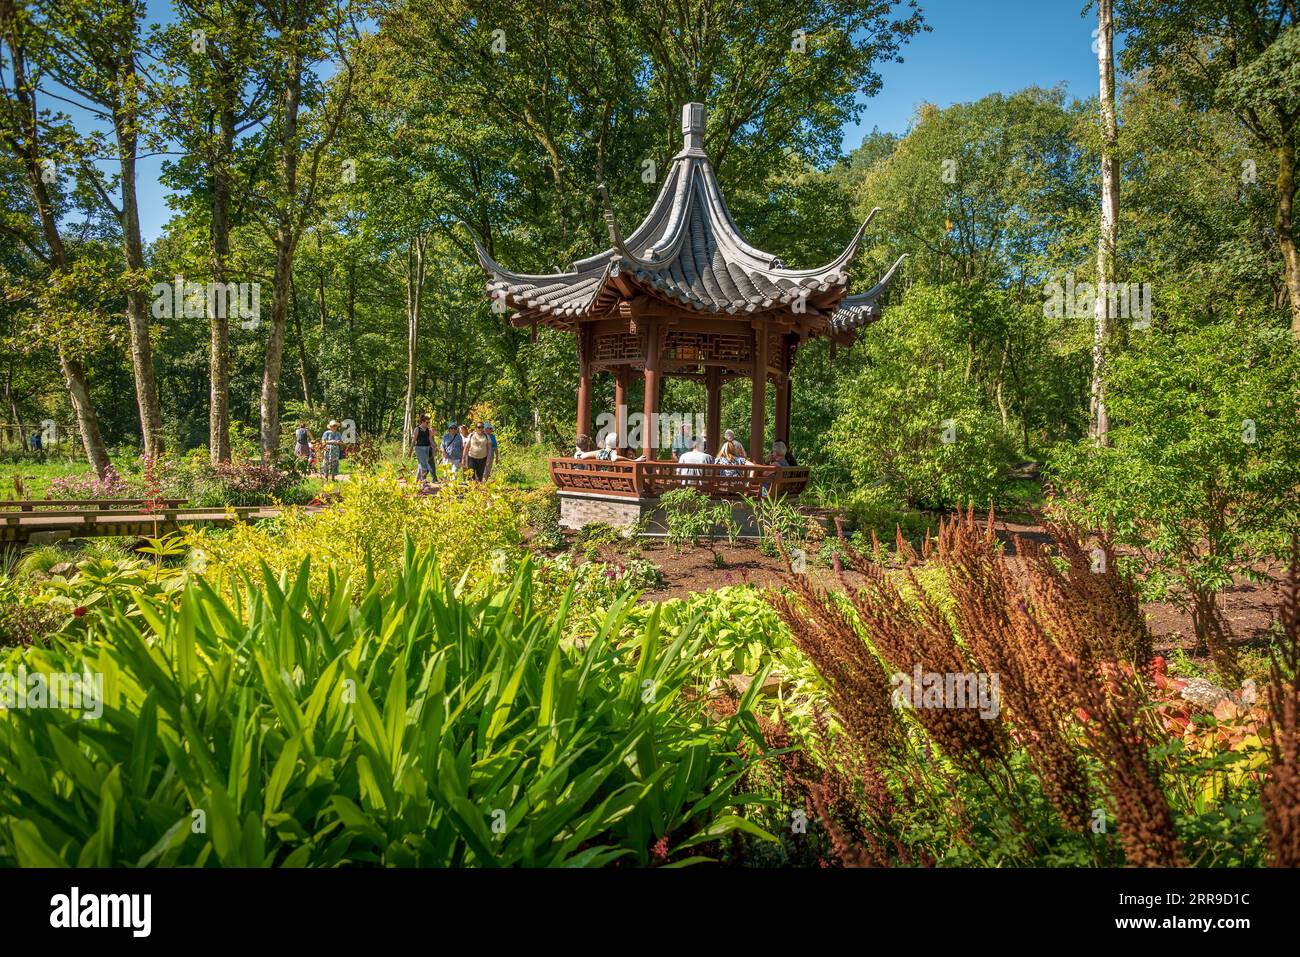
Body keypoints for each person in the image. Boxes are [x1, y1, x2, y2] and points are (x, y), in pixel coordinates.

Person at [411, 414, 436, 483]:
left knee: (421, 465)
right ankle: (423, 481)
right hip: (419, 448)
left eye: (429, 422)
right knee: (424, 466)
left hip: (427, 448)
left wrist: (435, 446)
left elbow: (430, 440)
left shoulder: (428, 430)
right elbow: (413, 440)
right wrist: (410, 451)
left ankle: (416, 481)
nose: (428, 424)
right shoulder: (417, 429)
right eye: (427, 422)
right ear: (422, 422)